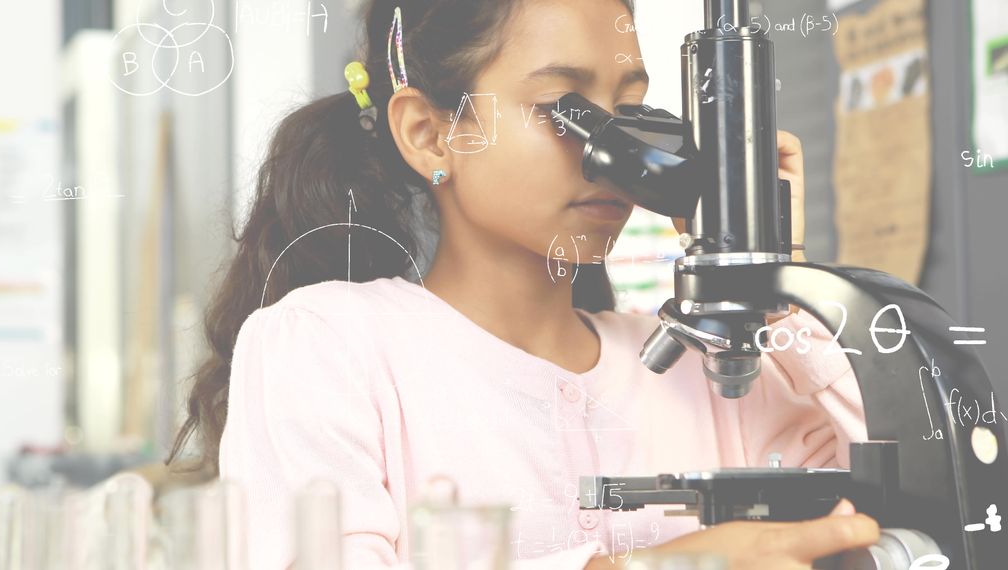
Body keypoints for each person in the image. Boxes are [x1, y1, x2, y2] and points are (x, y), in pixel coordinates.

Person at [168, 0, 880, 568]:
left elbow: (885, 504)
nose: (614, 156)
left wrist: (774, 280)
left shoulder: (707, 364)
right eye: (566, 111)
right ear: (429, 133)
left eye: (631, 115)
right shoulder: (326, 346)